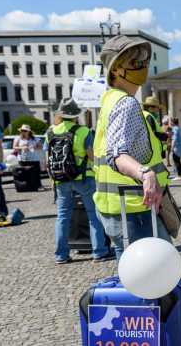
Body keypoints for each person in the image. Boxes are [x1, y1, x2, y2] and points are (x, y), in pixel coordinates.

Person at [93, 35, 171, 259]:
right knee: (155, 277)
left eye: (145, 61)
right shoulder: (126, 103)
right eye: (136, 62)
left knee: (131, 273)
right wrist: (145, 174)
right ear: (116, 69)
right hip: (135, 209)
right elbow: (116, 153)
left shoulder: (109, 100)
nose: (143, 66)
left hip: (117, 206)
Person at [47, 98, 111, 264]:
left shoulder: (51, 131)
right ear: (75, 115)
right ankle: (99, 251)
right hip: (84, 178)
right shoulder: (83, 131)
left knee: (62, 217)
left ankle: (61, 255)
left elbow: (48, 157)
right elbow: (91, 155)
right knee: (93, 216)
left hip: (61, 179)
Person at [13, 124, 44, 190]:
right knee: (24, 173)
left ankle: (38, 186)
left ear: (29, 131)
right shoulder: (18, 138)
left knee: (35, 174)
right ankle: (25, 186)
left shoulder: (35, 139)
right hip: (23, 159)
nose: (23, 132)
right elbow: (14, 147)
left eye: (25, 130)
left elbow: (41, 147)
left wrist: (34, 147)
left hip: (34, 159)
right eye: (22, 130)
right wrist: (22, 147)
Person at [142, 96, 168, 164]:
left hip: (147, 150)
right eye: (157, 108)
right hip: (152, 151)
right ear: (150, 108)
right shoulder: (149, 116)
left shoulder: (143, 115)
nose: (158, 110)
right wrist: (165, 135)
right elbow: (152, 133)